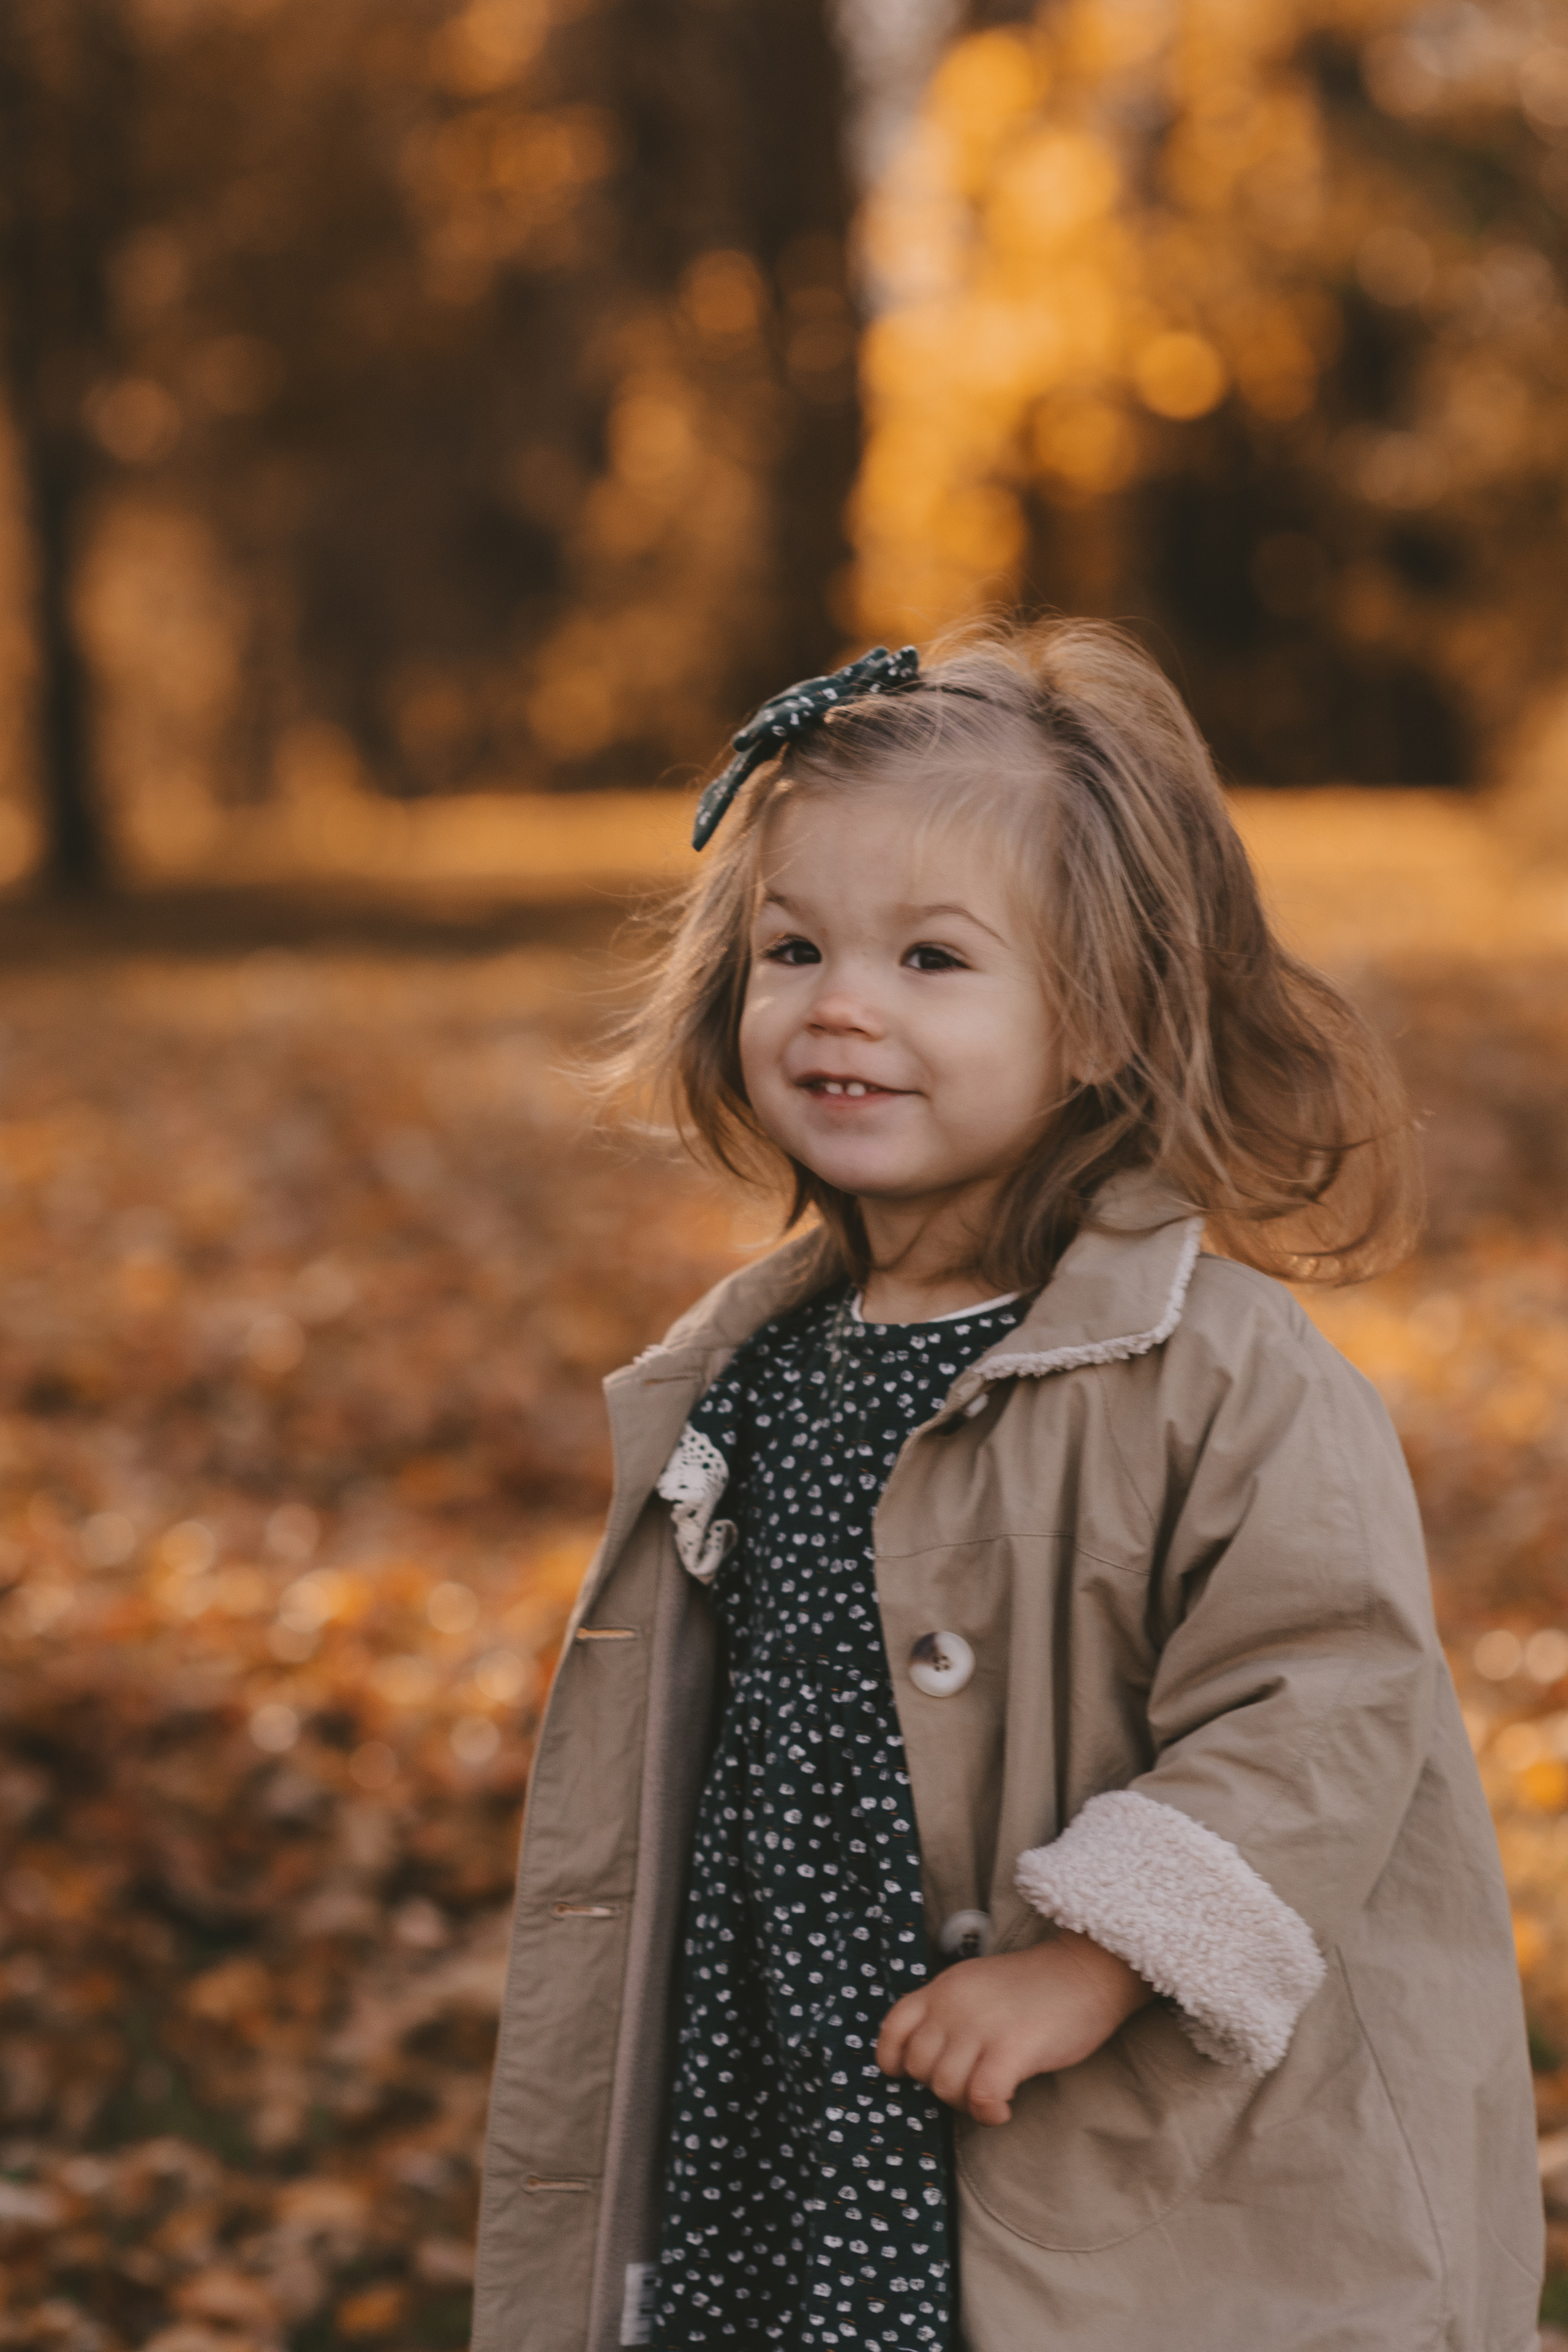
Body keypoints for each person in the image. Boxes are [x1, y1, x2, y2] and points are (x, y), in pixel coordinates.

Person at [472, 620, 1542, 2352]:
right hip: (800, 2091)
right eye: (795, 946)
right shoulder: (758, 1364)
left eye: (932, 960)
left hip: (1079, 2118)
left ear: (1104, 1015)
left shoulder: (1214, 1371)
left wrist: (1092, 1961)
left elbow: (1330, 1698)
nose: (842, 1004)